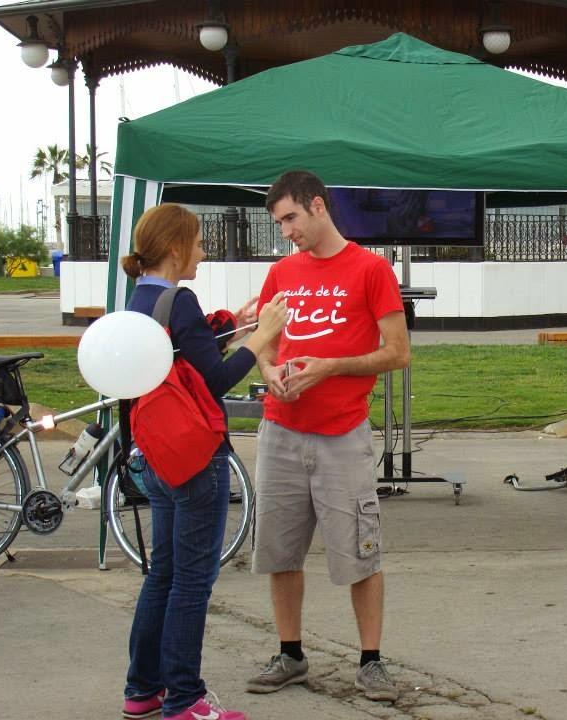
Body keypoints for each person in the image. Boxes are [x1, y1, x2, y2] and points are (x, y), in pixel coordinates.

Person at [246, 171, 410, 702]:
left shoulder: (371, 269)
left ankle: (371, 661)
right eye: (279, 223)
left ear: (318, 206)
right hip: (281, 430)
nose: (286, 231)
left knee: (360, 551)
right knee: (280, 550)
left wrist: (332, 367)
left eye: (291, 218)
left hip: (342, 435)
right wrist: (269, 371)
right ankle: (290, 653)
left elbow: (398, 353)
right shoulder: (281, 274)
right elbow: (264, 343)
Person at [120, 203, 288, 720]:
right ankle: (185, 698)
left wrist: (231, 325)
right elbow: (213, 379)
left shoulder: (139, 298)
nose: (203, 250)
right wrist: (263, 334)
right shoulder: (180, 298)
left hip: (156, 454)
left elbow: (187, 356)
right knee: (192, 582)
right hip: (196, 458)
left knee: (163, 575)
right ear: (175, 249)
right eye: (197, 242)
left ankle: (142, 688)